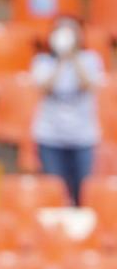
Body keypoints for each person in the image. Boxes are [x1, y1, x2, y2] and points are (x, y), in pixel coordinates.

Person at [32, 17, 104, 204]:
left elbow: (88, 85)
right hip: (50, 137)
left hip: (82, 137)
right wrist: (61, 60)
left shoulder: (90, 59)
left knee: (83, 193)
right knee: (55, 192)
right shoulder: (42, 61)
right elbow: (45, 88)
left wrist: (73, 57)